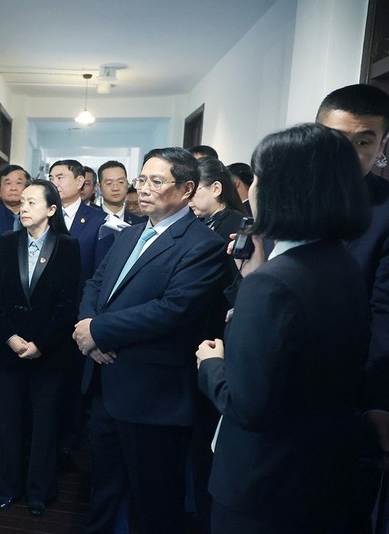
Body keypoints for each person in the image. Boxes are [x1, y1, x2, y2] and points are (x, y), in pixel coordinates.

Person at [196, 123, 371, 532]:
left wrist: (211, 363)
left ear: (285, 189)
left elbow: (247, 405)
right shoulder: (339, 262)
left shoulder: (272, 284)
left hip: (262, 484)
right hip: (315, 475)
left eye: (258, 177)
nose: (251, 188)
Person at [73, 147, 230, 533]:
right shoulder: (129, 235)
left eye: (156, 181)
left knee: (155, 501)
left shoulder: (201, 245)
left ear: (187, 189)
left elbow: (173, 310)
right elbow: (96, 283)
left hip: (153, 395)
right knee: (104, 490)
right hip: (105, 381)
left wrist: (99, 331)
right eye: (141, 179)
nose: (142, 189)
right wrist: (86, 327)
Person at [316, 84, 389, 533]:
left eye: (363, 141)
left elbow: (384, 314)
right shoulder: (284, 196)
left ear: (382, 145)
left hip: (346, 391)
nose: (347, 153)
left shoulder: (383, 211)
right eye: (335, 140)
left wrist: (379, 403)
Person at [0, 179, 81, 517]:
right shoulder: (6, 243)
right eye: (21, 202)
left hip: (49, 352)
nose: (23, 208)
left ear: (51, 210)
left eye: (32, 203)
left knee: (44, 423)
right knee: (9, 421)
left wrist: (40, 343)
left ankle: (39, 491)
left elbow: (68, 306)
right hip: (7, 351)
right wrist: (10, 338)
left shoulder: (68, 246)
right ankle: (7, 488)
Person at [48, 159, 110, 468]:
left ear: (80, 181)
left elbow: (99, 275)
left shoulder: (98, 221)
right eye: (51, 176)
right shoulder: (43, 215)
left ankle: (68, 444)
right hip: (46, 316)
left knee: (73, 383)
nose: (54, 181)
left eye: (60, 176)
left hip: (78, 316)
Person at [189, 157, 247, 239]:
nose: (188, 198)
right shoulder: (200, 220)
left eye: (193, 192)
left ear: (216, 189)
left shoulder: (234, 224)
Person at [97, 160, 146, 238]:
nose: (115, 188)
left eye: (120, 182)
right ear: (99, 188)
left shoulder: (141, 224)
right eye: (109, 183)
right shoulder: (90, 221)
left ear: (127, 184)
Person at [0, 165, 30, 239]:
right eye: (8, 183)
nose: (13, 188)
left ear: (28, 187)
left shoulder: (37, 217)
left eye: (19, 183)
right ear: (0, 189)